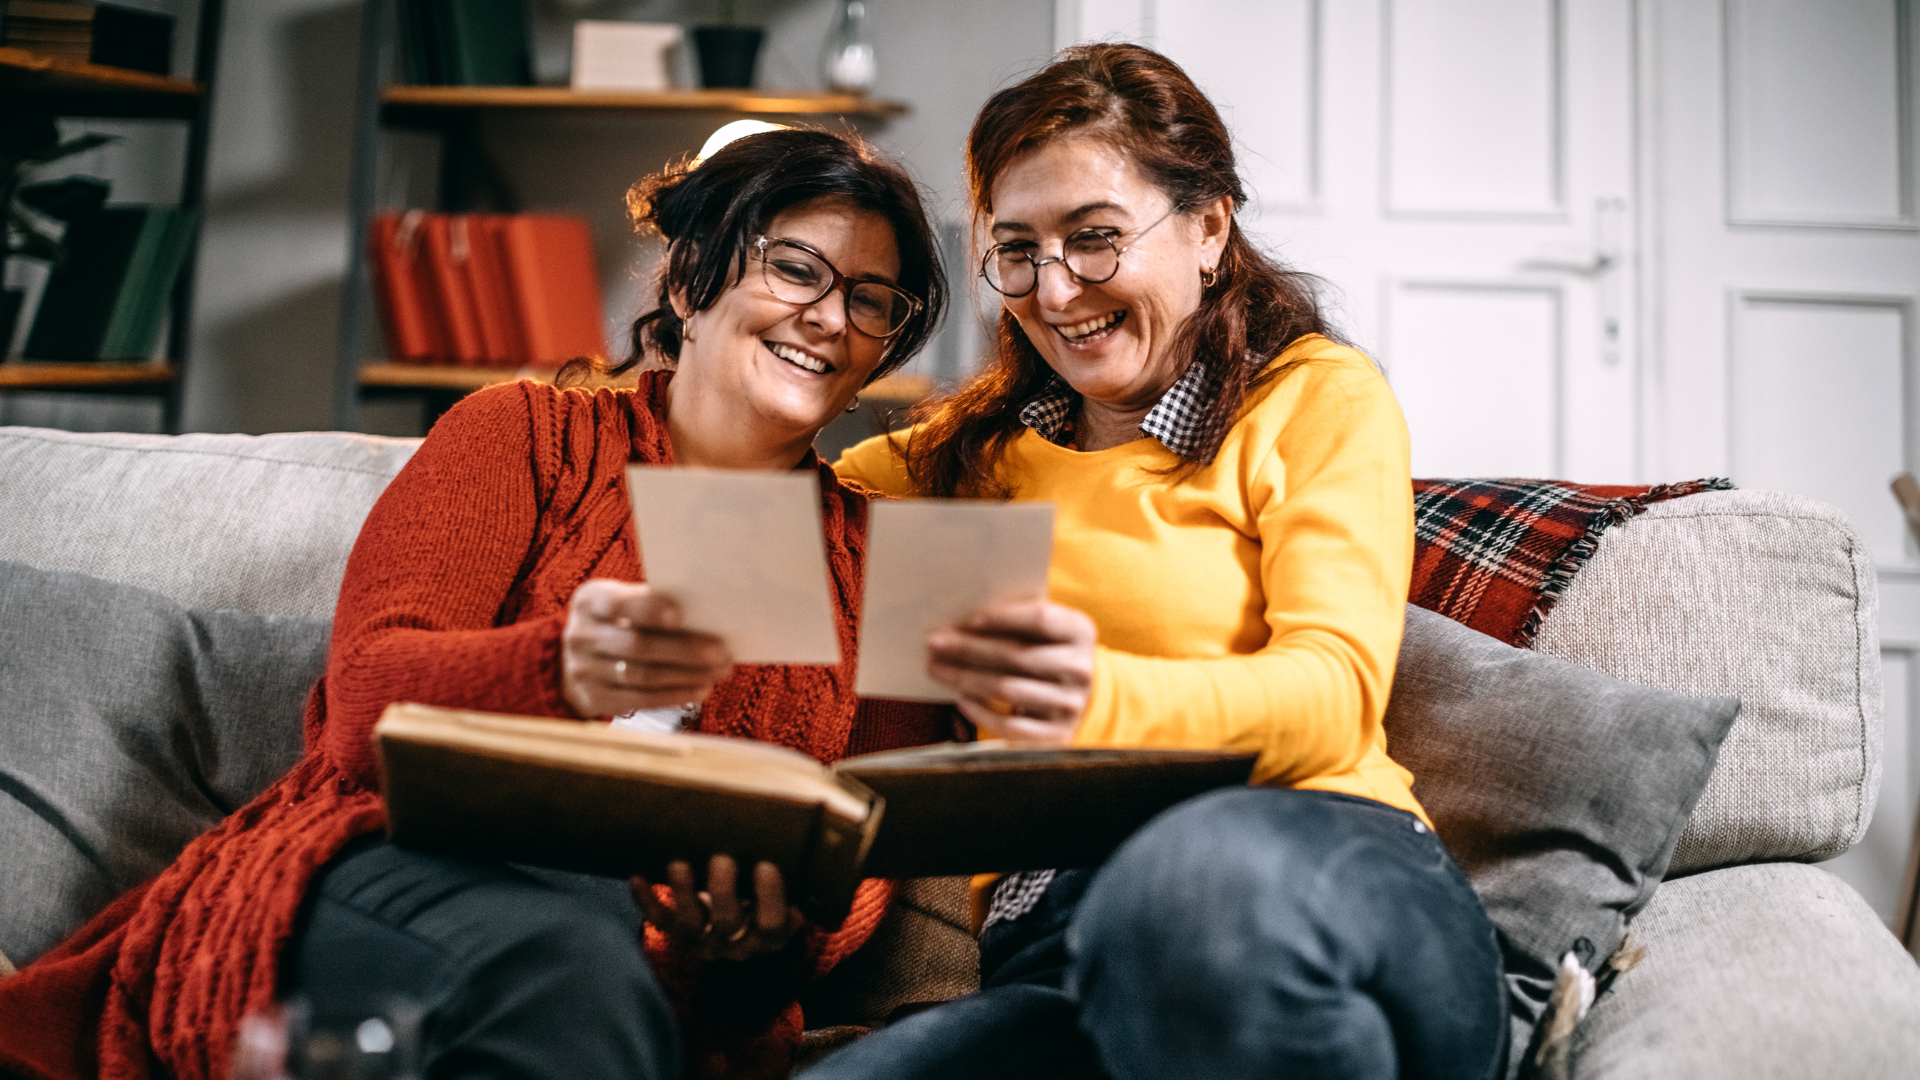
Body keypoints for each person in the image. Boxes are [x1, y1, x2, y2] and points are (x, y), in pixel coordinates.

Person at [0, 127, 950, 1080]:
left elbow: (875, 832)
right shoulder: (522, 436)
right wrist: (556, 669)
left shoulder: (885, 557)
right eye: (797, 270)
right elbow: (366, 705)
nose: (831, 319)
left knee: (601, 980)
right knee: (565, 969)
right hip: (403, 868)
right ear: (690, 277)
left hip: (674, 965)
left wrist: (781, 927)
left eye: (872, 300)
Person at [817, 44, 1508, 1080]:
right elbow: (771, 506)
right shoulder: (972, 453)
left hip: (1320, 867)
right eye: (1017, 251)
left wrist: (1091, 696)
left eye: (1094, 239)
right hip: (1062, 945)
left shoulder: (1312, 400)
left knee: (1180, 888)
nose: (1054, 291)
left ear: (1210, 227)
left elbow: (1333, 697)